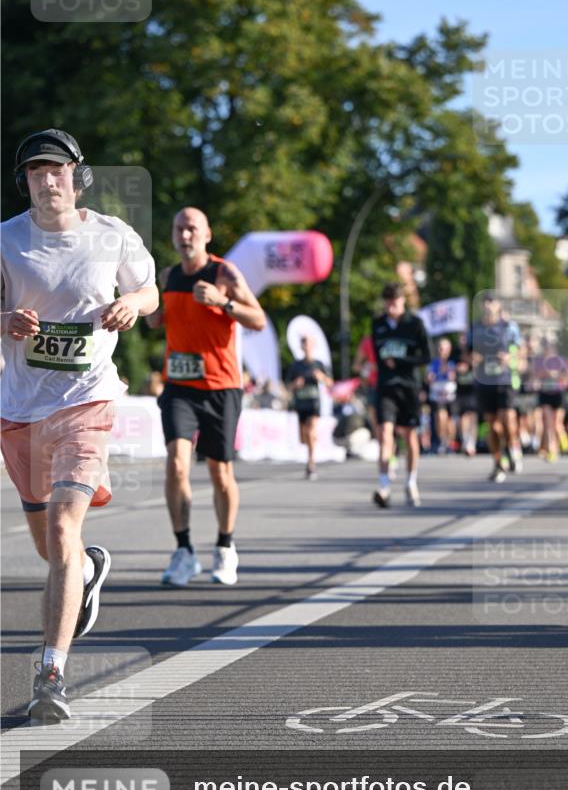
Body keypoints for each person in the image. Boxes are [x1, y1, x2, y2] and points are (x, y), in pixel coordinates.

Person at [0, 128, 158, 722]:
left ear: (77, 175)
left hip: (88, 401)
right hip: (20, 409)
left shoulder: (111, 235)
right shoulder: (6, 240)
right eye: (37, 172)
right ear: (27, 182)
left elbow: (149, 293)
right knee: (50, 545)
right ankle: (89, 570)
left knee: (64, 528)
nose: (48, 180)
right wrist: (6, 321)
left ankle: (51, 675)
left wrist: (130, 306)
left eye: (58, 170)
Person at [145, 207, 265, 587]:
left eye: (192, 228)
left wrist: (222, 302)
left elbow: (258, 319)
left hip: (220, 386)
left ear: (207, 234)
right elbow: (159, 318)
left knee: (219, 470)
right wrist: (153, 314)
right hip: (179, 386)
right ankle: (183, 550)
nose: (185, 235)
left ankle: (226, 546)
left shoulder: (224, 274)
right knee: (177, 463)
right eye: (179, 228)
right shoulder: (168, 276)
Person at [371, 282, 431, 508]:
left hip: (409, 387)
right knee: (385, 433)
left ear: (403, 301)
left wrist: (401, 361)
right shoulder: (377, 324)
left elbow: (426, 356)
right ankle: (384, 486)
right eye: (387, 304)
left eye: (394, 304)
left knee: (409, 436)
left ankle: (411, 482)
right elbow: (378, 356)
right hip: (386, 386)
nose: (391, 309)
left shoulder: (414, 324)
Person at [471, 293, 523, 482]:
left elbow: (521, 350)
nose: (487, 305)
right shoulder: (476, 328)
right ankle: (498, 461)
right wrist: (471, 357)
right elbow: (467, 352)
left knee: (508, 419)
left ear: (498, 305)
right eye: (485, 301)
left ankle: (513, 448)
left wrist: (510, 358)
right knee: (492, 424)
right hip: (484, 380)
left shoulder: (509, 327)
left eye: (491, 301)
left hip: (505, 378)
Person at [285, 335, 333, 480]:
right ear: (301, 347)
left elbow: (330, 383)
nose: (306, 346)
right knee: (303, 437)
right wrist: (296, 385)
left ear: (313, 345)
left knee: (311, 431)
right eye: (304, 343)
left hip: (314, 402)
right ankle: (310, 446)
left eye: (309, 343)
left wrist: (321, 378)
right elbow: (288, 386)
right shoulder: (296, 366)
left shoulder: (318, 364)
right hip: (301, 403)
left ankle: (311, 463)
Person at [533, 338, 568, 463]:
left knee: (557, 424)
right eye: (545, 347)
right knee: (548, 424)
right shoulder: (539, 361)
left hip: (558, 393)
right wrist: (543, 375)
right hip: (545, 394)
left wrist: (557, 375)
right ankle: (552, 450)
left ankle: (563, 440)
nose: (547, 349)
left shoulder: (560, 360)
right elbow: (534, 376)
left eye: (549, 346)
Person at [427, 338, 457, 454]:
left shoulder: (452, 362)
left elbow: (454, 376)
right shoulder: (433, 363)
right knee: (440, 416)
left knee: (451, 420)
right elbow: (429, 377)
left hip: (450, 395)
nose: (442, 351)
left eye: (444, 348)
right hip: (437, 395)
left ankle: (450, 442)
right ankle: (442, 440)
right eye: (440, 348)